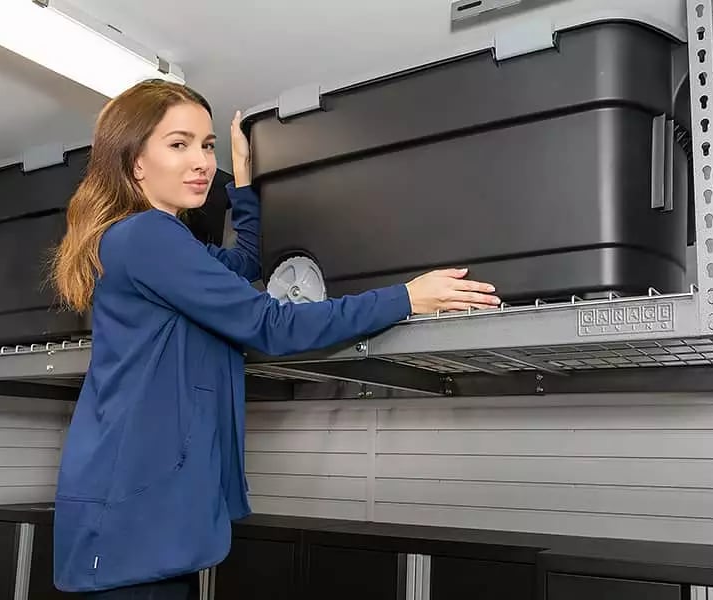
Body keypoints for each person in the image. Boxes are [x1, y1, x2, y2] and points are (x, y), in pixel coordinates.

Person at [49, 78, 500, 599]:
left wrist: (242, 178)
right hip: (133, 513)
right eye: (179, 144)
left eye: (207, 145)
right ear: (135, 163)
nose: (200, 161)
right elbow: (273, 325)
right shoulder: (146, 237)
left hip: (141, 510)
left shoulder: (157, 240)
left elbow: (240, 266)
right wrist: (406, 297)